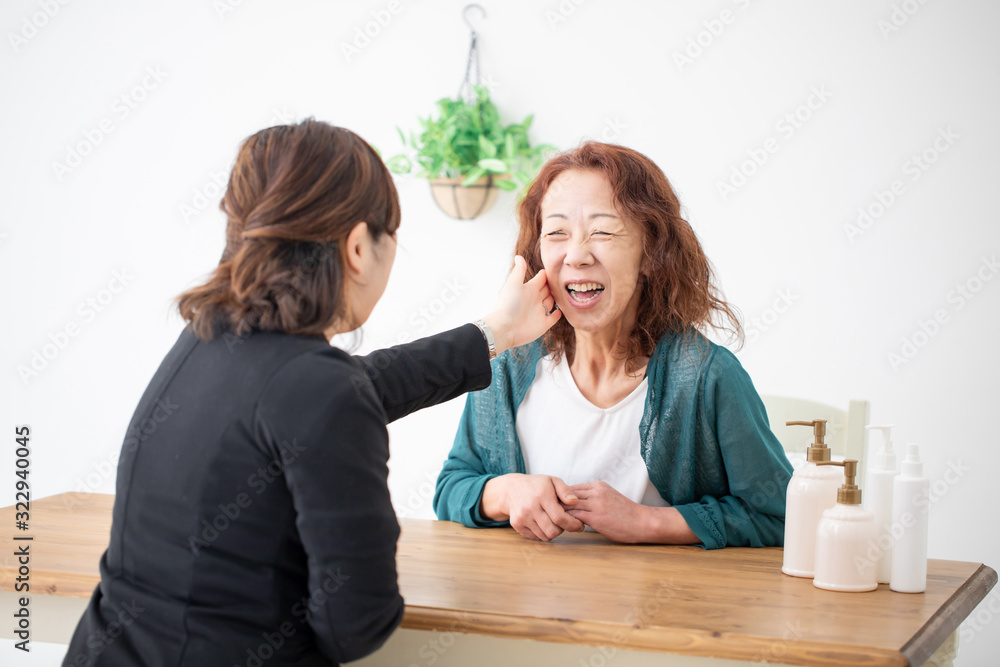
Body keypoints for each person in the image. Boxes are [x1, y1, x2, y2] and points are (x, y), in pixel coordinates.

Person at [62, 119, 561, 667]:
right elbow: (358, 625)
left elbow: (351, 389)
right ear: (357, 247)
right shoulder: (317, 388)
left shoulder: (207, 340)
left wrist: (495, 332)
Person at [434, 142, 793, 549]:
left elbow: (777, 515)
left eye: (602, 232)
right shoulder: (507, 367)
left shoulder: (707, 376)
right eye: (556, 233)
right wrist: (505, 493)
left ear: (651, 252)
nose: (577, 255)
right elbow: (451, 488)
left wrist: (649, 522)